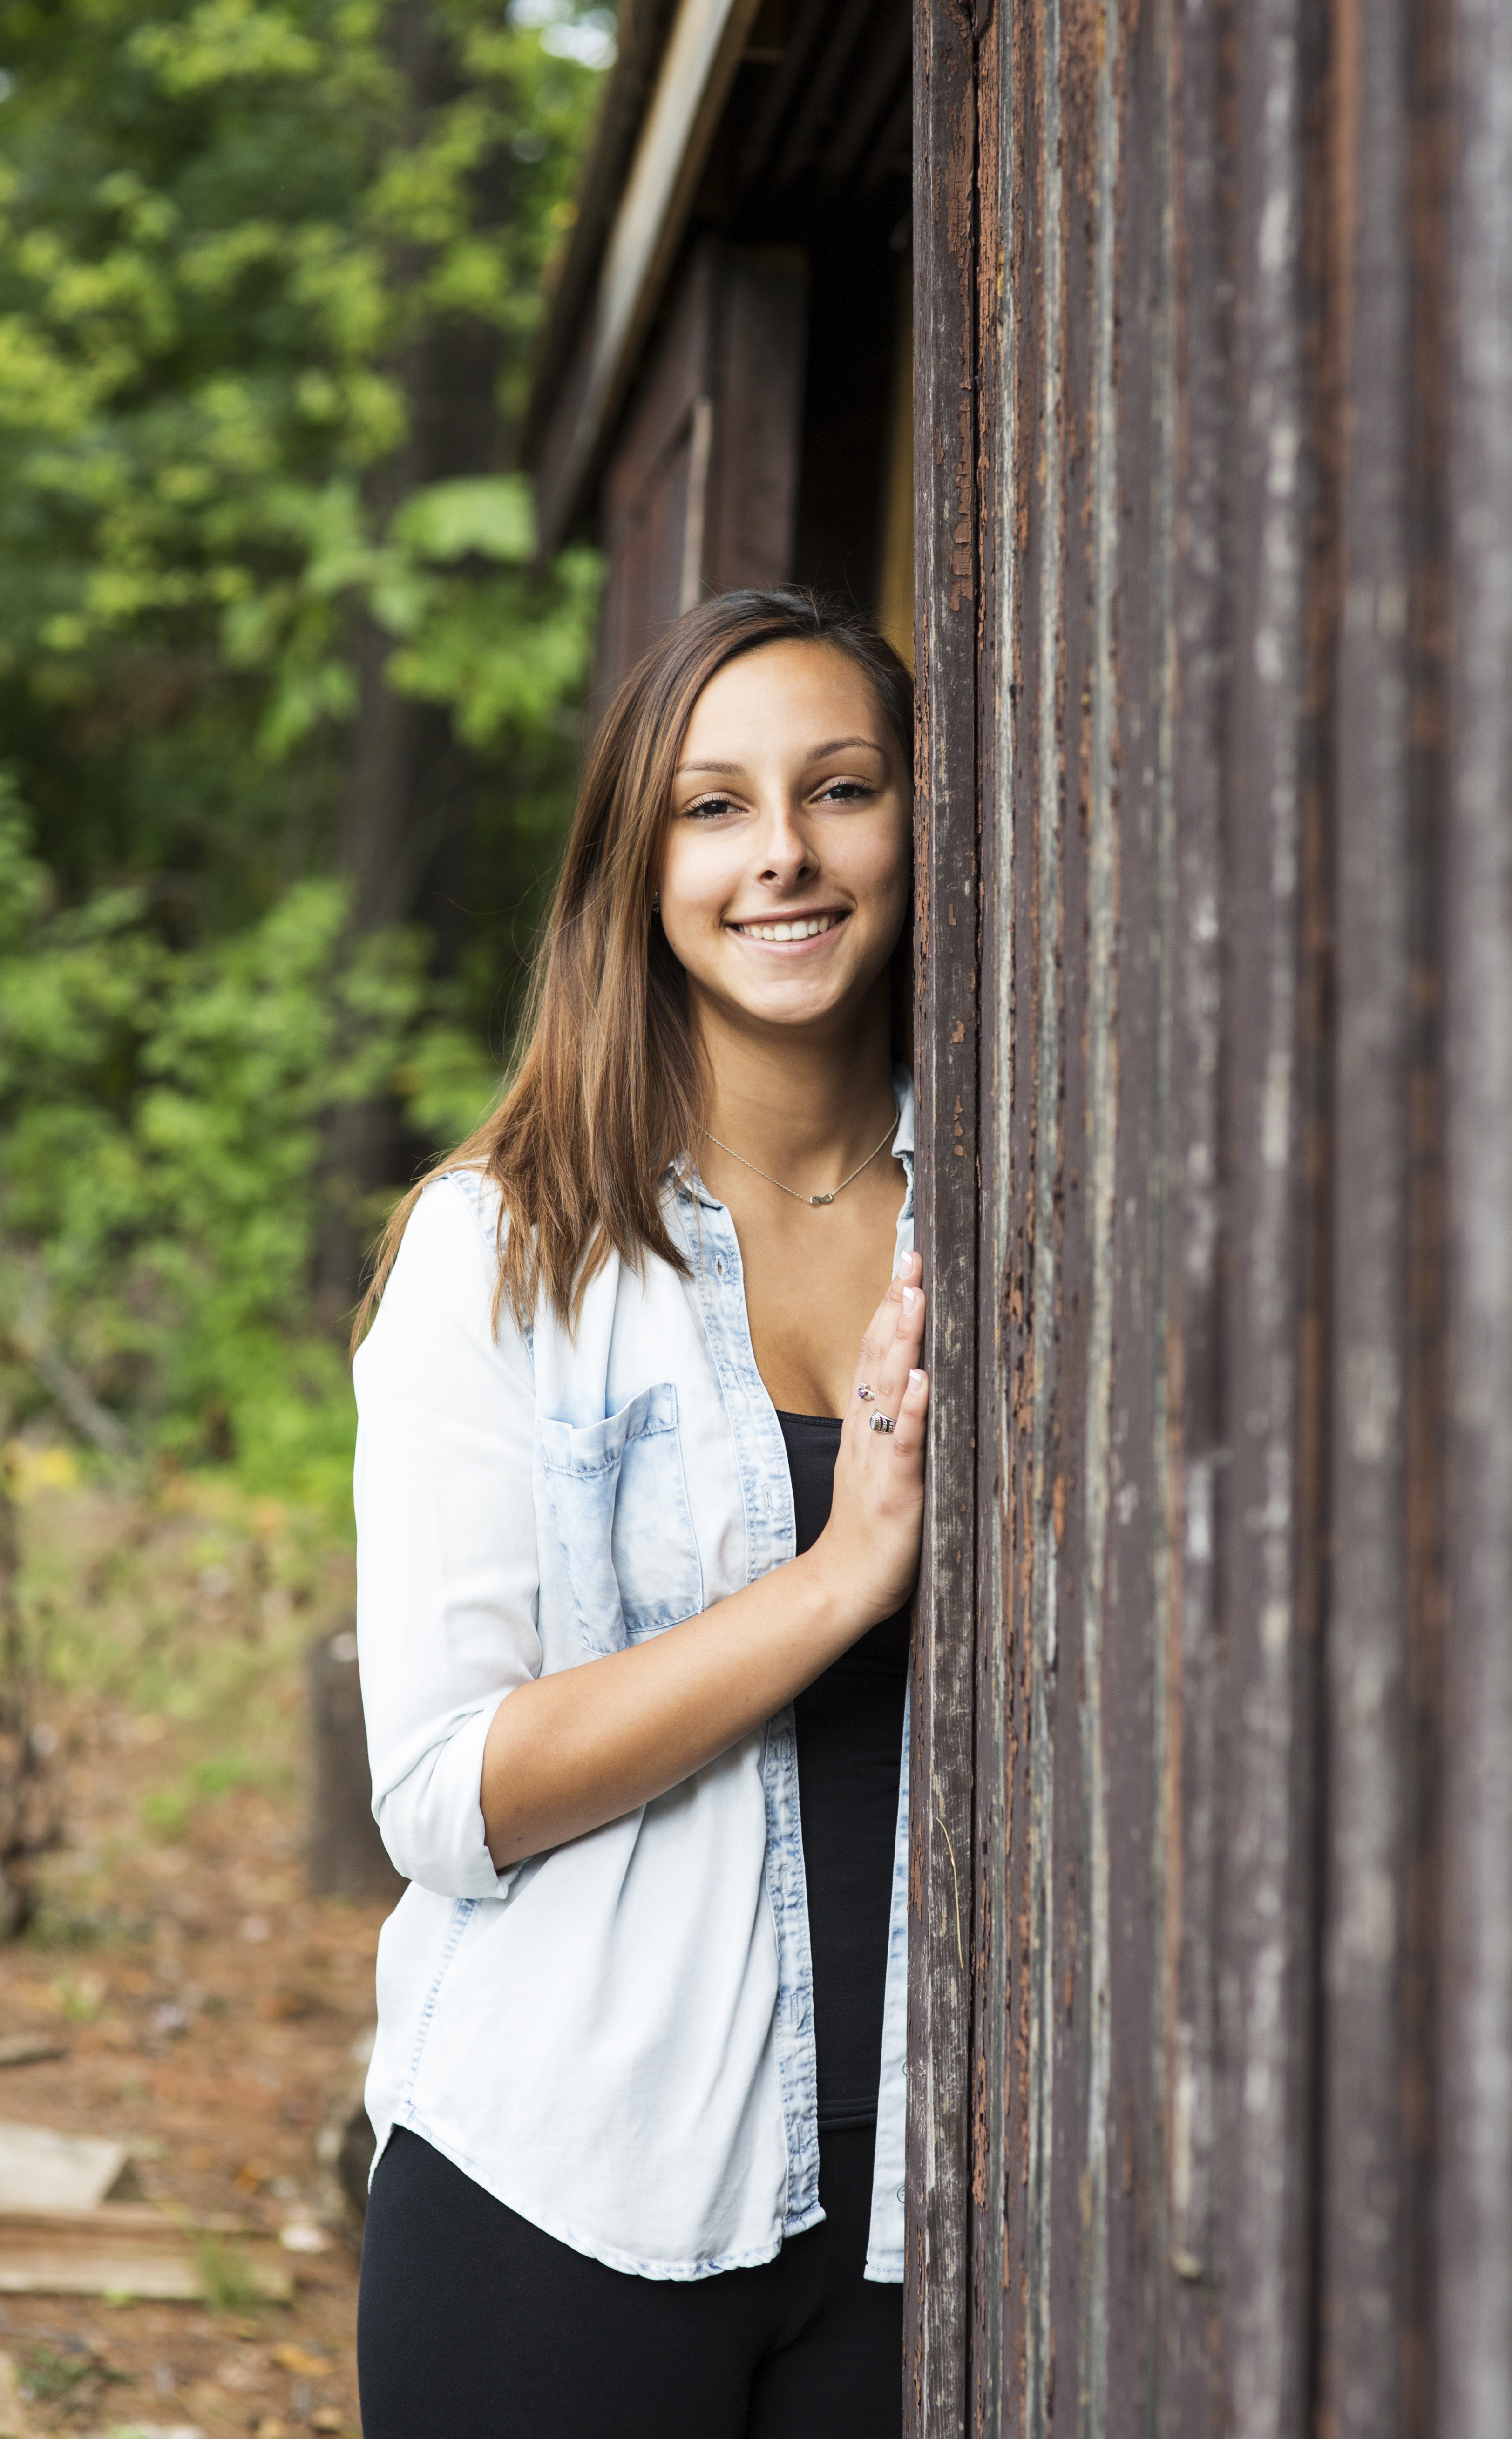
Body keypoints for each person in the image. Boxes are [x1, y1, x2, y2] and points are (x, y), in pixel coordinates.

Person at [350, 589, 928, 2439]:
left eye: (840, 789)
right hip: (564, 2189)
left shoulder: (1010, 1215)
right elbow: (447, 1786)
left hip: (935, 2194)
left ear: (921, 822)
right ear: (639, 863)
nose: (784, 853)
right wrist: (841, 1580)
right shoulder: (500, 1252)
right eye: (715, 805)